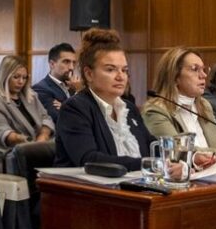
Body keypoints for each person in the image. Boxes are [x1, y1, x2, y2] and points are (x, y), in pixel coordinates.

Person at [54, 29, 154, 169]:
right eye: (110, 69)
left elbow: (152, 146)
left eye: (124, 70)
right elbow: (89, 159)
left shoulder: (129, 108)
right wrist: (148, 164)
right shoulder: (74, 109)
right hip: (88, 184)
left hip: (136, 182)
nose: (120, 77)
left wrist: (179, 158)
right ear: (89, 74)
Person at [0, 55, 54, 160]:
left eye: (24, 77)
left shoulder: (30, 96)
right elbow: (4, 134)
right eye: (16, 77)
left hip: (35, 151)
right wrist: (32, 144)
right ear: (5, 76)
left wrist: (43, 136)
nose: (21, 82)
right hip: (6, 157)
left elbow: (46, 118)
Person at [32, 42, 81, 122]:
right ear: (52, 64)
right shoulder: (40, 89)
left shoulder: (74, 87)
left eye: (74, 63)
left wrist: (65, 107)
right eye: (66, 62)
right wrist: (78, 93)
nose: (71, 67)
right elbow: (59, 119)